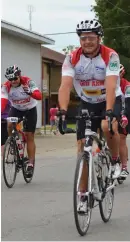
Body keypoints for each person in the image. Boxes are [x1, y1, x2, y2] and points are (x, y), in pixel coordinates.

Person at [58, 19, 122, 212]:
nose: (87, 41)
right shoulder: (71, 58)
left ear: (99, 38)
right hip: (87, 102)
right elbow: (65, 85)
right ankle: (83, 195)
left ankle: (115, 159)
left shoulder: (110, 55)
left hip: (110, 98)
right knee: (82, 148)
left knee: (106, 126)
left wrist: (110, 111)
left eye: (91, 38)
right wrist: (62, 111)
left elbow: (111, 84)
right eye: (83, 38)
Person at [1, 65, 42, 175]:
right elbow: (3, 100)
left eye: (15, 78)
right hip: (16, 109)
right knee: (9, 124)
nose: (13, 81)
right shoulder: (6, 86)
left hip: (30, 110)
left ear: (19, 75)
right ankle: (13, 143)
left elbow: (39, 96)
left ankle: (31, 163)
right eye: (10, 79)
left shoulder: (28, 82)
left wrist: (30, 92)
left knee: (29, 135)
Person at [119, 64, 130, 178]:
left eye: (119, 74)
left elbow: (127, 103)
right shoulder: (107, 83)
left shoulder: (127, 86)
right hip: (111, 111)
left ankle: (124, 167)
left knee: (121, 137)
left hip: (124, 112)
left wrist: (124, 115)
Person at [1, 84, 11, 155]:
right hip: (6, 119)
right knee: (4, 138)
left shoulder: (5, 99)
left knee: (4, 137)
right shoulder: (7, 98)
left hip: (4, 120)